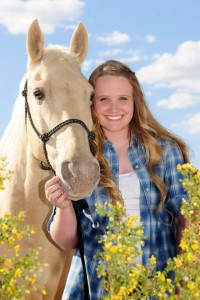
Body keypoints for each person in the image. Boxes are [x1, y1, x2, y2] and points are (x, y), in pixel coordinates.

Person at [45, 60, 189, 300]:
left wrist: (186, 279)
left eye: (123, 98)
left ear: (135, 102)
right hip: (96, 289)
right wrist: (63, 205)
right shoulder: (80, 156)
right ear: (91, 103)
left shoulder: (164, 151)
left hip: (159, 287)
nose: (114, 108)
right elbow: (68, 241)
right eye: (103, 99)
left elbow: (187, 218)